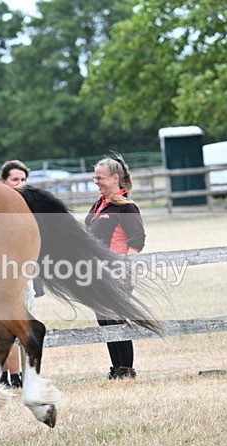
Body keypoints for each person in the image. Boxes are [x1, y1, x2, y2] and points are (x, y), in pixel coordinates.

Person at [85, 155, 146, 380]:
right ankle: (116, 369)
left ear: (114, 178)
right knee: (105, 321)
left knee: (116, 320)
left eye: (100, 178)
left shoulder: (126, 207)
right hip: (95, 274)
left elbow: (137, 240)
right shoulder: (98, 205)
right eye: (95, 178)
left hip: (117, 275)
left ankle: (126, 369)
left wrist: (123, 269)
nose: (97, 182)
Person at [0, 160, 44, 388]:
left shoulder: (27, 207)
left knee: (23, 325)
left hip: (23, 274)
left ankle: (21, 375)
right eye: (15, 179)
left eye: (24, 180)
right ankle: (8, 376)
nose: (20, 184)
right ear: (2, 181)